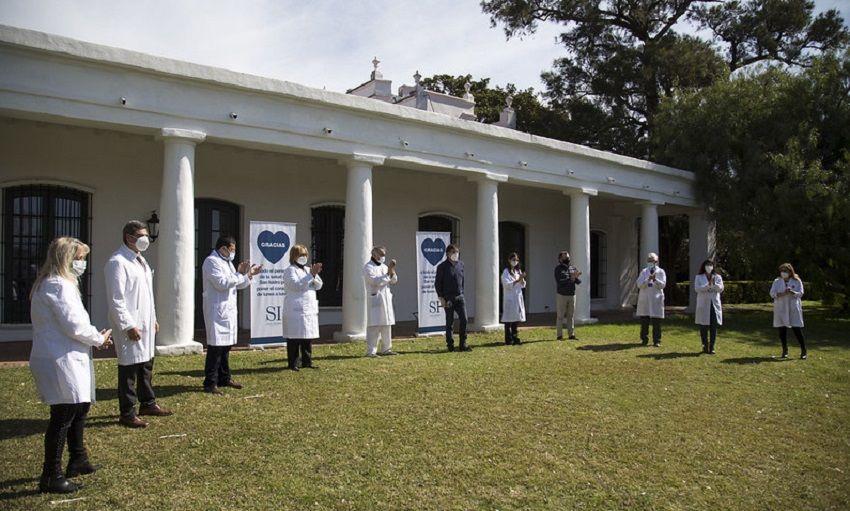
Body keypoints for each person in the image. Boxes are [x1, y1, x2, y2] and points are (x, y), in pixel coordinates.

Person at [29, 237, 112, 494]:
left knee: (79, 407)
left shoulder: (60, 283)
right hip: (60, 357)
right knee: (63, 414)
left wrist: (94, 338)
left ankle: (78, 458)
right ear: (66, 259)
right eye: (79, 258)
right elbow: (73, 324)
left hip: (67, 354)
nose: (82, 263)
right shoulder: (57, 286)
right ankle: (51, 474)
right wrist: (98, 338)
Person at [105, 220, 171, 428]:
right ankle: (127, 412)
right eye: (141, 236)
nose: (146, 239)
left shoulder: (141, 260)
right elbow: (116, 299)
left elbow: (147, 295)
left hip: (145, 321)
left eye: (146, 236)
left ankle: (148, 403)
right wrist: (127, 325)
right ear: (129, 237)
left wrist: (153, 318)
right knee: (129, 368)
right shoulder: (117, 262)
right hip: (130, 323)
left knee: (145, 365)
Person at [201, 235, 261, 394]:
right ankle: (210, 383)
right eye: (231, 250)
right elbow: (222, 283)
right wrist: (240, 274)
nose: (233, 253)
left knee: (226, 347)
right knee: (215, 348)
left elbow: (237, 284)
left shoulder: (227, 262)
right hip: (217, 311)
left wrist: (249, 275)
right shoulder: (211, 261)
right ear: (223, 248)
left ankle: (224, 378)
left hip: (227, 311)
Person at [282, 244, 323, 370]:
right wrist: (311, 276)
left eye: (305, 255)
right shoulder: (290, 270)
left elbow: (319, 285)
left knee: (307, 337)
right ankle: (293, 363)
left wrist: (313, 276)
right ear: (294, 256)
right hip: (295, 308)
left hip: (309, 308)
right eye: (301, 255)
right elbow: (296, 285)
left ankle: (307, 362)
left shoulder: (307, 269)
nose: (304, 257)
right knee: (294, 337)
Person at [363, 246, 398, 357]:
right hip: (376, 298)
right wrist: (388, 273)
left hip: (386, 299)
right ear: (374, 254)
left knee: (387, 325)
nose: (383, 257)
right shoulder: (368, 267)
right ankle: (371, 351)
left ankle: (386, 349)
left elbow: (394, 280)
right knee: (374, 326)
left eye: (384, 254)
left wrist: (392, 270)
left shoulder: (385, 267)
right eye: (381, 254)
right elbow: (375, 281)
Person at [435, 244, 470, 352]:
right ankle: (450, 345)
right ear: (447, 254)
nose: (456, 254)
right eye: (453, 252)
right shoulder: (442, 267)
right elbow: (438, 283)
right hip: (448, 298)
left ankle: (463, 344)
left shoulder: (461, 264)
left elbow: (462, 280)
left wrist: (462, 292)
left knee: (464, 319)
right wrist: (441, 297)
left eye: (457, 252)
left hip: (460, 297)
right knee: (449, 322)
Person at [770, 263, 807, 359]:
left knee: (797, 329)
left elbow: (801, 293)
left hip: (792, 307)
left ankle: (803, 351)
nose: (783, 273)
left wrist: (792, 292)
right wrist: (783, 293)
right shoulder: (777, 281)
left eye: (785, 271)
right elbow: (772, 293)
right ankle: (785, 350)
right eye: (782, 271)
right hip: (781, 307)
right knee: (782, 330)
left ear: (790, 272)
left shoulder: (797, 281)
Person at [636, 252, 666, 347]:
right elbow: (639, 284)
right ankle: (644, 340)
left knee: (656, 322)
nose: (650, 262)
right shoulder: (644, 271)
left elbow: (663, 285)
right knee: (644, 321)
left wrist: (655, 280)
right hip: (645, 299)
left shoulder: (661, 272)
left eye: (652, 261)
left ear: (656, 261)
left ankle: (657, 341)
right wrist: (648, 279)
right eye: (649, 260)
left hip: (656, 299)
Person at [694, 259, 724, 354]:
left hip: (713, 304)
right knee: (703, 326)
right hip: (703, 304)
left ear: (713, 266)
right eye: (707, 265)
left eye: (710, 265)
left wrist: (713, 285)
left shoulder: (717, 277)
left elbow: (720, 288)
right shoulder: (699, 277)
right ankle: (705, 345)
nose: (709, 267)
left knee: (713, 326)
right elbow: (697, 289)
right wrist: (708, 286)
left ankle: (712, 346)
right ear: (704, 266)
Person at [554, 250, 582, 340]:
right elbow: (560, 282)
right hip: (562, 295)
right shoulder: (558, 269)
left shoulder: (572, 268)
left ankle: (571, 334)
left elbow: (578, 282)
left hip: (572, 295)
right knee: (560, 316)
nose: (567, 258)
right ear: (560, 259)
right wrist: (571, 278)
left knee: (571, 316)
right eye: (565, 257)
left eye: (568, 257)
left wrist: (576, 277)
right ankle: (559, 335)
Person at [501, 252, 527, 345]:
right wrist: (518, 280)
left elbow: (523, 285)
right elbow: (507, 285)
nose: (515, 261)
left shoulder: (518, 271)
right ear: (509, 260)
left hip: (517, 297)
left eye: (516, 260)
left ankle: (515, 337)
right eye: (513, 260)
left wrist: (522, 278)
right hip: (509, 298)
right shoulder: (505, 272)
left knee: (516, 319)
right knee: (508, 320)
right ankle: (508, 339)